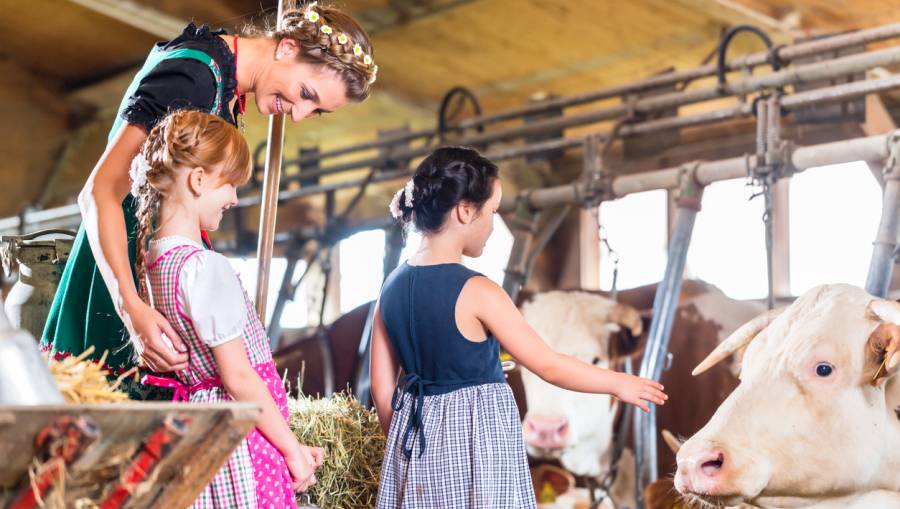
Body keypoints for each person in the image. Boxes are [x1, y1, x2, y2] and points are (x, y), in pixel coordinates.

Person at [41, 1, 377, 399]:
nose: (301, 114)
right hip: (122, 285)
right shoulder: (195, 76)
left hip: (155, 282)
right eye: (306, 93)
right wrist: (131, 308)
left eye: (316, 110)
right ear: (286, 47)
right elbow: (98, 193)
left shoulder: (225, 82)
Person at [370, 147, 668, 508]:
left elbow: (382, 387)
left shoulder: (390, 287)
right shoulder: (478, 291)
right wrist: (619, 382)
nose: (493, 225)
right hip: (477, 454)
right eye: (492, 212)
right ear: (465, 210)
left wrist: (408, 447)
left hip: (413, 450)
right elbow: (548, 365)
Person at [133, 110, 322, 507]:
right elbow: (237, 377)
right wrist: (291, 450)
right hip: (243, 437)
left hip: (203, 436)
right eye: (230, 184)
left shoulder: (151, 263)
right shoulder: (204, 267)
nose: (235, 198)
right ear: (198, 180)